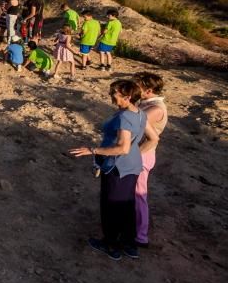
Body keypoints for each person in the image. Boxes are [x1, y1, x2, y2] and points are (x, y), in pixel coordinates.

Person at [69, 79, 158, 261]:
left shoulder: (124, 117)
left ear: (126, 97)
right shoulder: (140, 114)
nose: (111, 96)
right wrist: (137, 154)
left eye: (114, 94)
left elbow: (122, 148)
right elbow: (154, 138)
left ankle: (111, 245)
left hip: (118, 167)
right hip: (133, 166)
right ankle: (130, 245)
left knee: (111, 206)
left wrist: (93, 150)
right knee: (126, 206)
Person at [132, 72, 167, 249]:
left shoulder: (156, 109)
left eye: (137, 86)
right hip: (139, 153)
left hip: (142, 155)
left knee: (139, 195)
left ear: (149, 90)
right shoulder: (148, 104)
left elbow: (133, 124)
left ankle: (141, 235)